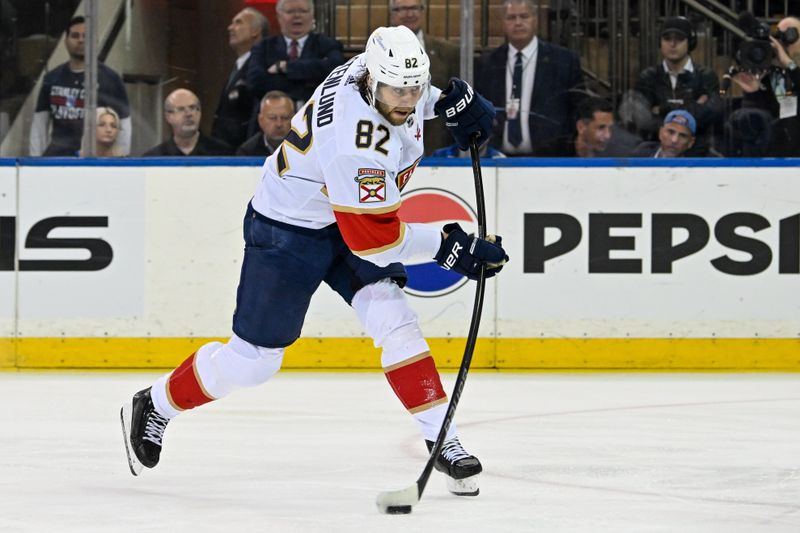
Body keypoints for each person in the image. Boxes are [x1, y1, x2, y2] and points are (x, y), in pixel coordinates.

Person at [121, 25, 506, 499]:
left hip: (341, 212)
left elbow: (414, 93)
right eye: (398, 90)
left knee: (394, 318)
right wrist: (452, 246)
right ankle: (155, 403)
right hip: (288, 227)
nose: (406, 100)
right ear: (372, 83)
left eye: (414, 87)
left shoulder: (373, 71)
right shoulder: (357, 144)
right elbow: (376, 242)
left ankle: (440, 435)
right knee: (254, 361)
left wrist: (449, 101)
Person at [476, 0, 585, 156]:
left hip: (550, 160)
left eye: (524, 16)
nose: (518, 23)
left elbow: (578, 109)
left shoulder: (563, 61)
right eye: (511, 18)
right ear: (503, 23)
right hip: (497, 160)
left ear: (535, 19)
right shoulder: (487, 63)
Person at [29, 16, 131, 156]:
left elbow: (124, 125)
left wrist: (120, 161)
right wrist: (35, 163)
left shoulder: (111, 79)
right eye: (75, 36)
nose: (81, 40)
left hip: (95, 160)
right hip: (56, 160)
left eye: (86, 36)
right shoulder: (52, 78)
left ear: (94, 41)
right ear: (66, 40)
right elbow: (39, 125)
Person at [632, 16, 719, 155]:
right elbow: (642, 120)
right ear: (659, 43)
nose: (672, 44)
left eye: (679, 39)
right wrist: (690, 108)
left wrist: (661, 109)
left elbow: (708, 116)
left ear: (690, 42)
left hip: (697, 153)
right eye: (667, 39)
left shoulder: (706, 76)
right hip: (654, 151)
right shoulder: (647, 76)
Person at [389, 0, 459, 155]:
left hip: (438, 151)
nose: (409, 13)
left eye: (414, 8)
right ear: (392, 14)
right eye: (402, 9)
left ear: (423, 11)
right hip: (391, 147)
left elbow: (454, 98)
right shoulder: (377, 53)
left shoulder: (448, 52)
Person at [247, 0, 345, 110]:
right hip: (273, 119)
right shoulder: (263, 47)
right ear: (279, 16)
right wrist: (308, 83)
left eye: (303, 11)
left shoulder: (327, 44)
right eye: (290, 11)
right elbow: (255, 82)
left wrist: (287, 67)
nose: (297, 16)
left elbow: (336, 69)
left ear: (312, 15)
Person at [732, 15, 800, 156]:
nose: (784, 43)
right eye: (780, 37)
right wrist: (754, 92)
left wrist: (790, 65)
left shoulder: (791, 69)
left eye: (791, 35)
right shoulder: (773, 75)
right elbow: (763, 122)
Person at [211, 8, 270, 149]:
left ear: (255, 31)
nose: (230, 28)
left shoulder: (262, 67)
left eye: (238, 23)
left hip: (244, 152)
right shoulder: (238, 65)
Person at [143, 89, 232, 156]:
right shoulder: (153, 159)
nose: (189, 114)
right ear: (168, 117)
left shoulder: (223, 154)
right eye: (181, 109)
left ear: (200, 113)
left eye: (193, 108)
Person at [535, 97, 614, 157]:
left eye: (610, 128)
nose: (608, 135)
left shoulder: (617, 154)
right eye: (601, 128)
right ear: (581, 127)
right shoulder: (550, 153)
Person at [236, 90, 295, 156]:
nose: (279, 124)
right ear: (260, 120)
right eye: (272, 118)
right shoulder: (247, 152)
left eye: (285, 118)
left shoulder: (305, 149)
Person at [631, 109, 696, 158]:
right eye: (670, 132)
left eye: (682, 136)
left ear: (690, 142)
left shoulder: (695, 169)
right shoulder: (642, 152)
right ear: (660, 133)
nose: (674, 140)